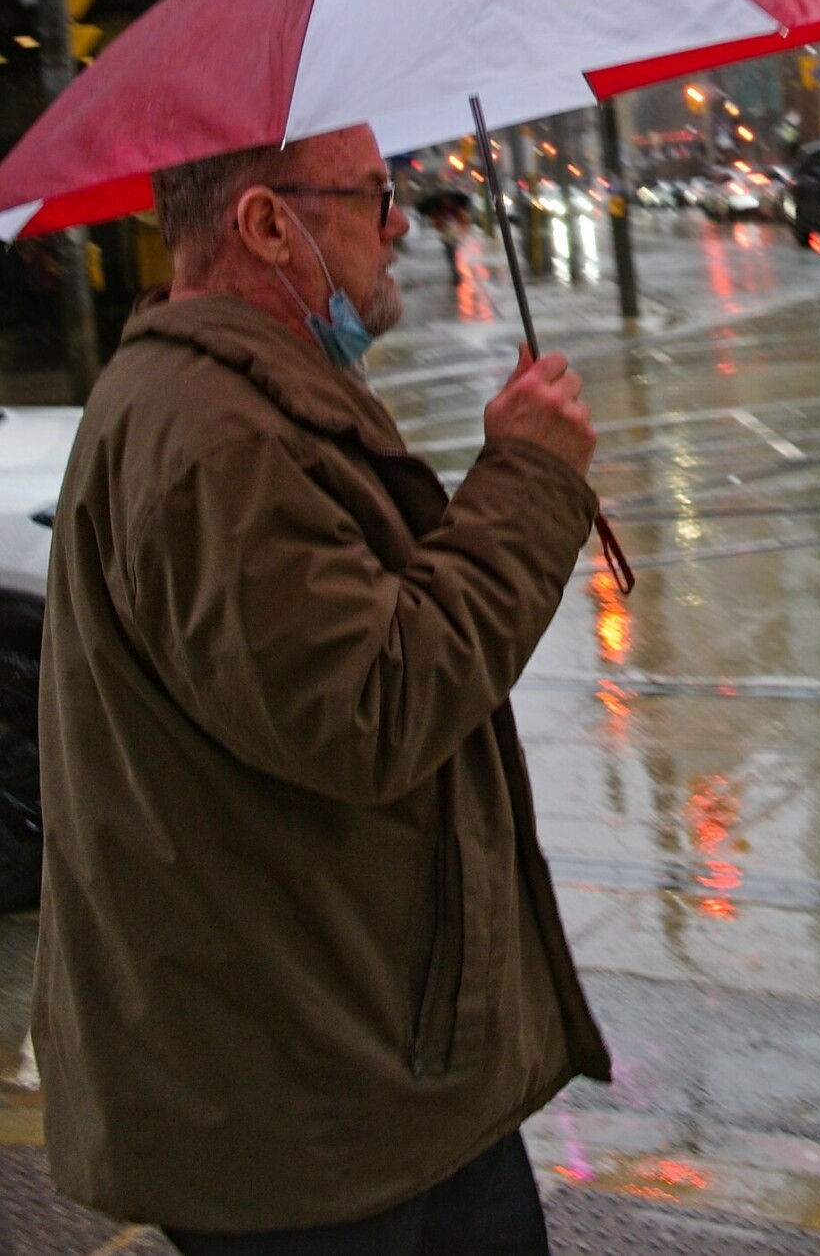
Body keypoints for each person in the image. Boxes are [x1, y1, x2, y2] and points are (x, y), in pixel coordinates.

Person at [32, 122, 610, 1254]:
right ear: (266, 223)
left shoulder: (252, 396)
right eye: (372, 194)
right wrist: (530, 479)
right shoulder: (213, 435)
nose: (399, 222)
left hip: (372, 1061)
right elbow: (371, 705)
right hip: (308, 1111)